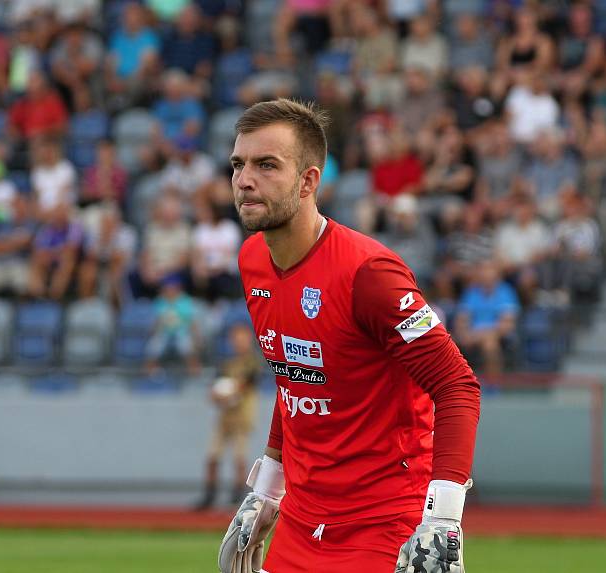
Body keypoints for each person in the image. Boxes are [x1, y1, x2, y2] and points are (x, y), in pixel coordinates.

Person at [219, 99, 480, 573]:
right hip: (301, 521)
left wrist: (443, 519)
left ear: (308, 182)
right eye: (238, 164)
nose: (244, 179)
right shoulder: (252, 259)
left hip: (383, 526)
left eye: (266, 165)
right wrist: (266, 489)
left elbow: (457, 384)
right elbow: (295, 375)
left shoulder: (369, 273)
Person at [196, 321, 264, 510]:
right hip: (225, 416)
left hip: (243, 415)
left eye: (241, 338)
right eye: (235, 339)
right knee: (213, 455)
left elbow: (248, 384)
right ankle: (209, 494)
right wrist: (217, 396)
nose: (238, 342)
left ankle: (238, 493)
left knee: (239, 456)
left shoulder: (253, 361)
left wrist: (229, 393)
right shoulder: (228, 364)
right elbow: (216, 388)